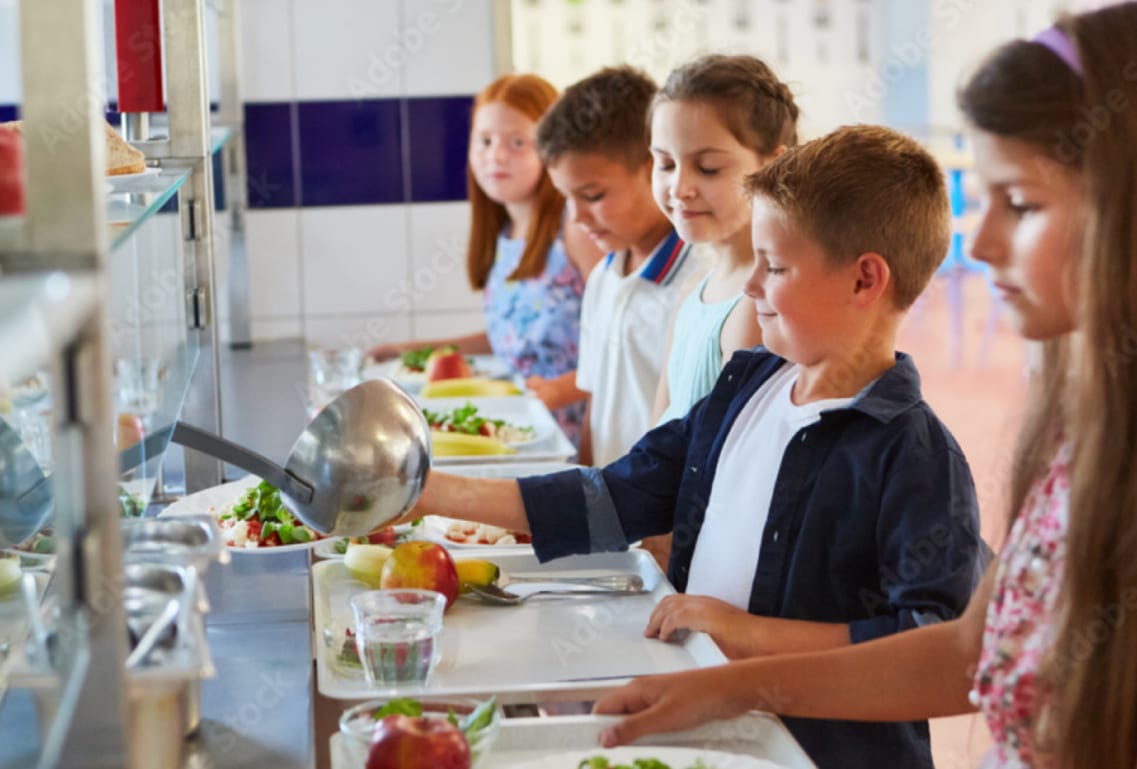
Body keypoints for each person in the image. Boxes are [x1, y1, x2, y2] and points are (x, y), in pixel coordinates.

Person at [591, 7, 1137, 769]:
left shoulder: (908, 445)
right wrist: (729, 687)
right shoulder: (1082, 435)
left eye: (1021, 203)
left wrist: (743, 669)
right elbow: (959, 654)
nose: (976, 245)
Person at [408, 124, 985, 768]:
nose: (752, 287)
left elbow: (933, 646)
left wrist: (748, 634)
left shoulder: (918, 458)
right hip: (715, 739)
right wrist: (427, 490)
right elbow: (618, 494)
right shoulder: (746, 385)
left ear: (864, 281)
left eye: (777, 266)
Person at [370, 74, 601, 444]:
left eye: (517, 142)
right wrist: (411, 351)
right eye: (485, 141)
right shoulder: (505, 233)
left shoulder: (576, 228)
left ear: (553, 146)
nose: (496, 155)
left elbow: (622, 346)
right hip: (520, 432)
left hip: (570, 441)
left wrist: (558, 392)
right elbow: (510, 339)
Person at [531, 65, 705, 467]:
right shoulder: (604, 277)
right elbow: (596, 401)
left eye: (592, 195)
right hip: (613, 518)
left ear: (654, 165)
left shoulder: (699, 282)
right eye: (566, 198)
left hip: (665, 522)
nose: (577, 217)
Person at [650, 54, 796, 427]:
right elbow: (654, 437)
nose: (679, 189)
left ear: (771, 167)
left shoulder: (758, 307)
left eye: (708, 168)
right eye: (665, 164)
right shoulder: (694, 289)